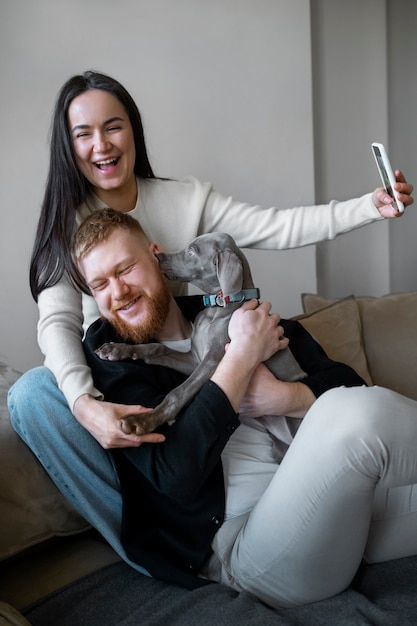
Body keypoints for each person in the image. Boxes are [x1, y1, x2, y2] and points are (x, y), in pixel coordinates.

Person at [13, 69, 413, 453]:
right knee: (30, 393)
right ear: (69, 147)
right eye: (84, 134)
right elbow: (58, 323)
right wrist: (85, 404)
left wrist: (368, 207)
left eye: (113, 126)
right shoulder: (66, 226)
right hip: (117, 375)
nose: (101, 145)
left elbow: (276, 226)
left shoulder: (185, 199)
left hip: (185, 367)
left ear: (133, 130)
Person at [12, 208, 371, 607]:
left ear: (156, 257)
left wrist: (287, 398)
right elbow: (175, 477)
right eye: (100, 284)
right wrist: (240, 361)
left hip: (333, 501)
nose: (118, 291)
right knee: (370, 441)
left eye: (126, 268)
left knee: (371, 426)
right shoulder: (114, 364)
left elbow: (355, 389)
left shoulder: (247, 318)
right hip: (253, 545)